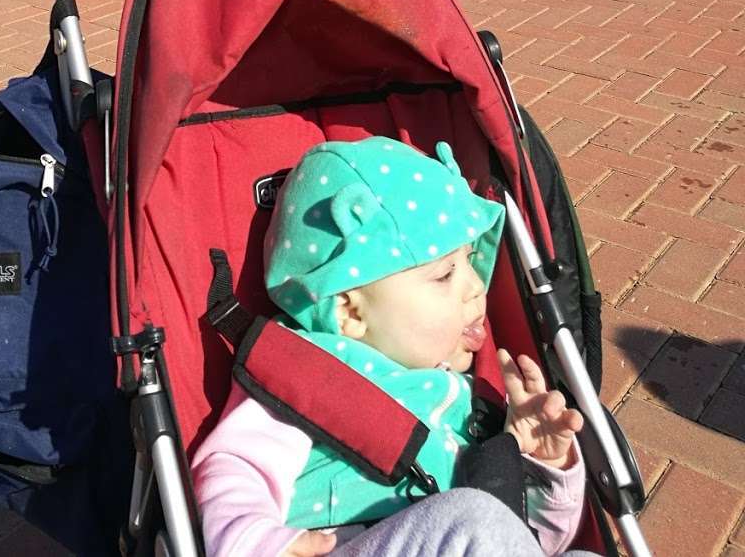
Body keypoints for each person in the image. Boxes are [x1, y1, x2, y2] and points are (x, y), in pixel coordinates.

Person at [192, 138, 590, 557]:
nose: (476, 288)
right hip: (346, 542)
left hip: (465, 532)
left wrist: (540, 468)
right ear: (351, 314)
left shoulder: (467, 401)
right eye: (444, 274)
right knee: (477, 517)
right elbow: (234, 466)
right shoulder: (304, 376)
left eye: (471, 261)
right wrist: (257, 542)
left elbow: (533, 544)